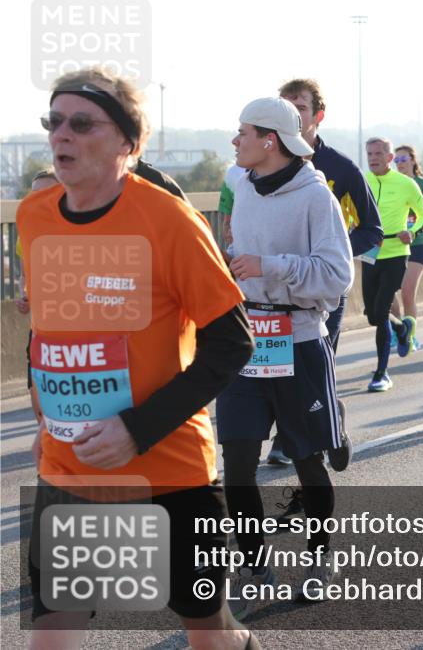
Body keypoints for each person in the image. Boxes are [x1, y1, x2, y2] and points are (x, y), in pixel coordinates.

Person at [20, 67, 258, 649]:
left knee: (209, 633)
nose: (62, 136)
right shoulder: (35, 216)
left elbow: (232, 341)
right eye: (54, 122)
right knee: (53, 634)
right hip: (69, 468)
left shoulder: (170, 220)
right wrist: (42, 418)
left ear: (128, 141)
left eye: (82, 123)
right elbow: (50, 333)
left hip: (167, 472)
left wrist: (137, 428)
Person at [216, 97, 354, 617]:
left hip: (298, 339)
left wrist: (270, 266)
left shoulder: (315, 197)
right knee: (236, 465)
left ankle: (321, 560)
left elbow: (338, 277)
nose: (235, 141)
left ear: (269, 139)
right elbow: (240, 258)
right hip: (247, 341)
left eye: (243, 132)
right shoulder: (242, 185)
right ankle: (255, 564)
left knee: (306, 462)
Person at [279, 78, 383, 469]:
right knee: (274, 365)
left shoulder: (339, 168)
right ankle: (293, 432)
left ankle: (322, 429)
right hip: (275, 287)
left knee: (314, 364)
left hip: (322, 290)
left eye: (299, 109)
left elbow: (372, 229)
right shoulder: (259, 164)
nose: (291, 116)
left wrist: (333, 256)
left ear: (317, 116)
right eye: (283, 108)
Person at [363, 137, 423, 391]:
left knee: (380, 314)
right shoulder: (363, 181)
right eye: (369, 153)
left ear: (389, 158)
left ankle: (381, 373)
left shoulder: (406, 184)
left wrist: (412, 230)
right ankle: (402, 329)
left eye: (379, 153)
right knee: (372, 315)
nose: (373, 158)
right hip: (369, 254)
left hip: (395, 253)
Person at [390, 144, 423, 347]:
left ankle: (411, 335)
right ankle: (398, 331)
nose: (400, 164)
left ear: (413, 161)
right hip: (392, 246)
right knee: (388, 293)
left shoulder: (422, 184)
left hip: (417, 243)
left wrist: (411, 229)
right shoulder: (391, 184)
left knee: (407, 292)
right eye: (396, 160)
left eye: (404, 159)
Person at [14, 169, 60, 315]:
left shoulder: (81, 227)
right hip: (41, 321)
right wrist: (25, 297)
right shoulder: (26, 232)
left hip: (78, 320)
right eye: (35, 193)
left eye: (47, 192)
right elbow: (25, 276)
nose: (40, 198)